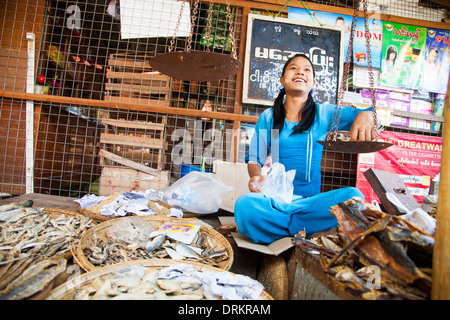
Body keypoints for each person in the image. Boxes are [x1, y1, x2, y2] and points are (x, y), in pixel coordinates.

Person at [234, 54, 376, 244]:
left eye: (306, 69)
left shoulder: (323, 114)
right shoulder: (269, 117)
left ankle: (283, 228)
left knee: (354, 197)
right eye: (293, 68)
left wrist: (369, 115)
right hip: (278, 203)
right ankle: (306, 229)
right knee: (245, 206)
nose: (300, 71)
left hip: (311, 204)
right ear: (282, 80)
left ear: (313, 83)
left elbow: (368, 114)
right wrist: (255, 176)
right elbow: (254, 159)